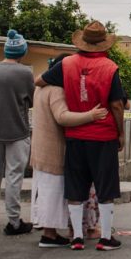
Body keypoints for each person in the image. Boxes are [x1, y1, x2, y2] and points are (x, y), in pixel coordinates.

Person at [37, 21, 127, 252]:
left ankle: (76, 237)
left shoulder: (66, 64)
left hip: (75, 136)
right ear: (103, 43)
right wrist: (120, 133)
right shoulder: (109, 67)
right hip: (103, 135)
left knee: (75, 187)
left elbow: (39, 81)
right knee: (105, 188)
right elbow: (117, 104)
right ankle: (105, 238)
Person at [30, 53, 108, 248]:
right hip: (53, 150)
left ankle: (52, 233)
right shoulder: (56, 89)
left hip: (40, 148)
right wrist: (91, 115)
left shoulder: (39, 88)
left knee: (46, 192)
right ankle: (50, 235)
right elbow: (62, 117)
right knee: (54, 194)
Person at [0, 29, 36, 236]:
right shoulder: (24, 73)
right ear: (22, 51)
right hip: (17, 129)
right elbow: (30, 100)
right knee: (13, 175)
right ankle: (14, 221)